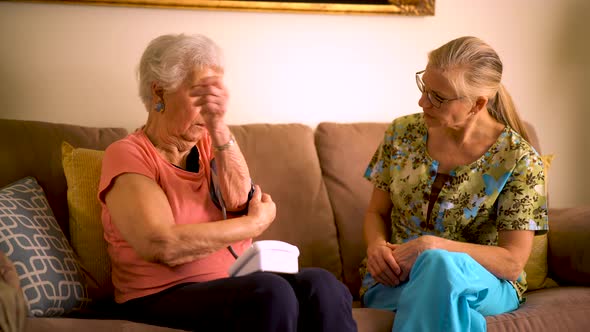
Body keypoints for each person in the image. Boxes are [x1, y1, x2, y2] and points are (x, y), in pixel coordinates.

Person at [98, 33, 357, 332]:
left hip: (231, 284)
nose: (212, 107)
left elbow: (237, 201)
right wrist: (252, 225)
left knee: (323, 285)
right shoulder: (128, 154)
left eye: (216, 95)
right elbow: (162, 245)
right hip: (155, 296)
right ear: (159, 93)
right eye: (201, 94)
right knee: (270, 293)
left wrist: (218, 126)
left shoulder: (210, 141)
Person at [360, 36, 548, 332]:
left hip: (485, 285)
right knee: (449, 304)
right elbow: (375, 213)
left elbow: (512, 263)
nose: (423, 102)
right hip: (392, 280)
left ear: (478, 104)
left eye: (438, 97)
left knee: (438, 264)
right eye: (425, 88)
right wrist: (375, 246)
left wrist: (431, 247)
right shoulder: (401, 133)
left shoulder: (520, 160)